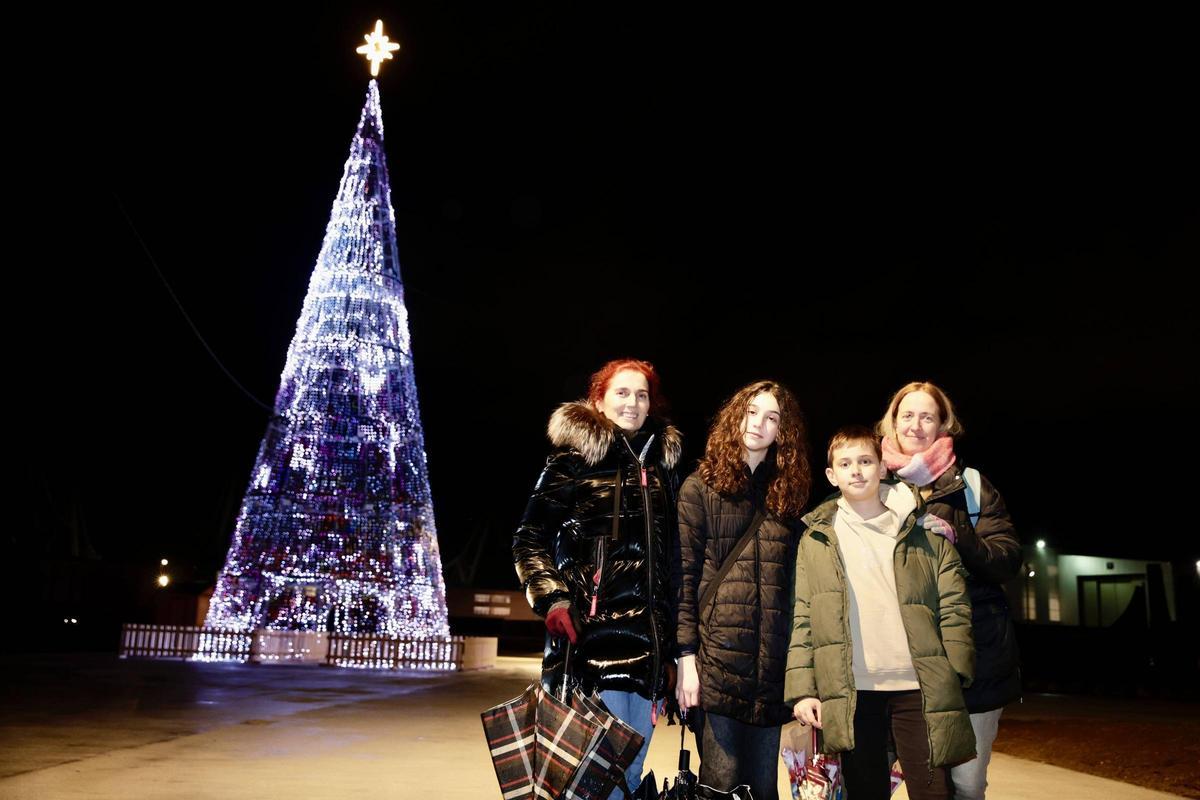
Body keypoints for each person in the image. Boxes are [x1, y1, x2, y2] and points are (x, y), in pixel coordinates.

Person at [513, 359, 682, 798]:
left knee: (630, 772)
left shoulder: (664, 467)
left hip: (648, 648)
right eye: (622, 393)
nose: (632, 403)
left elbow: (675, 559)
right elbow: (528, 539)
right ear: (599, 400)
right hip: (591, 643)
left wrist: (676, 644)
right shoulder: (573, 460)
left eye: (642, 395)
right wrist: (553, 601)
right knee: (592, 778)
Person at [786, 425, 975, 800]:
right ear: (831, 475)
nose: (856, 470)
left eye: (865, 461)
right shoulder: (817, 538)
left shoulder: (921, 529)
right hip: (854, 690)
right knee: (865, 792)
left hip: (919, 688)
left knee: (934, 792)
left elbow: (955, 607)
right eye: (845, 463)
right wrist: (804, 690)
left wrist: (954, 669)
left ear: (883, 468)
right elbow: (804, 616)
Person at [877, 381, 1022, 800]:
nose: (916, 425)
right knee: (875, 779)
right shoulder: (873, 484)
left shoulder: (972, 487)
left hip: (971, 667)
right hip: (895, 666)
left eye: (927, 416)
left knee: (965, 785)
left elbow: (1008, 560)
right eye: (907, 415)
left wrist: (959, 535)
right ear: (893, 421)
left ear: (943, 425)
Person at [674, 380, 811, 800]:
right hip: (716, 667)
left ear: (782, 432)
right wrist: (685, 660)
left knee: (764, 791)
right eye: (752, 412)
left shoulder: (788, 497)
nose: (759, 424)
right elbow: (684, 580)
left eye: (772, 417)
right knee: (719, 785)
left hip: (770, 673)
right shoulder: (699, 487)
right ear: (736, 416)